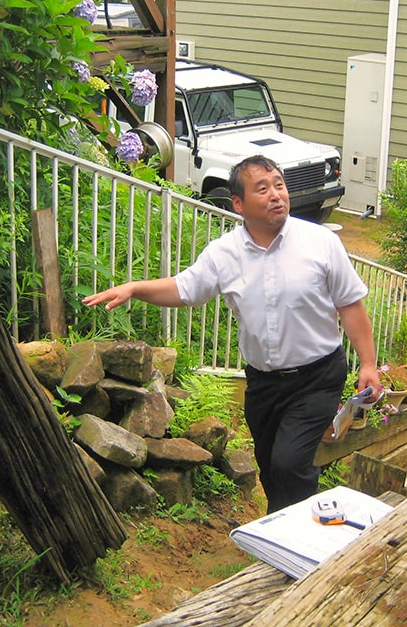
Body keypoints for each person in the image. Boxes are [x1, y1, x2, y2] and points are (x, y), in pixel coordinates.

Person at [83, 155, 381, 512]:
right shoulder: (225, 254)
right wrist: (134, 288)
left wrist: (368, 363)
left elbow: (351, 306)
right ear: (238, 203)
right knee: (272, 469)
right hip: (264, 384)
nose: (276, 195)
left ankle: (295, 553)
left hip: (318, 377)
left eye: (279, 185)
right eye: (262, 188)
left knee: (290, 464)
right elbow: (184, 289)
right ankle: (287, 532)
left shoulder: (320, 243)